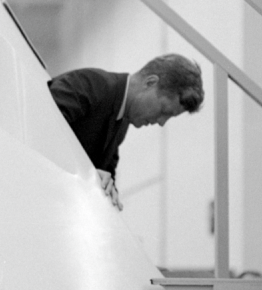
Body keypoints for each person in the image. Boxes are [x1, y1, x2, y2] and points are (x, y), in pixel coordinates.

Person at [48, 54, 204, 210]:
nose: (162, 122)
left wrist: (108, 191)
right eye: (164, 110)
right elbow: (37, 127)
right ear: (150, 82)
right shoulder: (88, 85)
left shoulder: (121, 124)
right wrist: (86, 175)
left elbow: (105, 173)